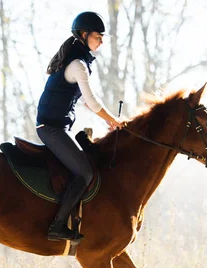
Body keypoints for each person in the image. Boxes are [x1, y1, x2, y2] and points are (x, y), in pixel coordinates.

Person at [36, 11, 125, 243]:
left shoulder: (77, 61)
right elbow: (93, 101)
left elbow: (83, 101)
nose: (101, 41)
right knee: (85, 172)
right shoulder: (78, 64)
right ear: (85, 35)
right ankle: (57, 226)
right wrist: (113, 120)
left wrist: (107, 119)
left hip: (56, 128)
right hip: (52, 129)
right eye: (98, 36)